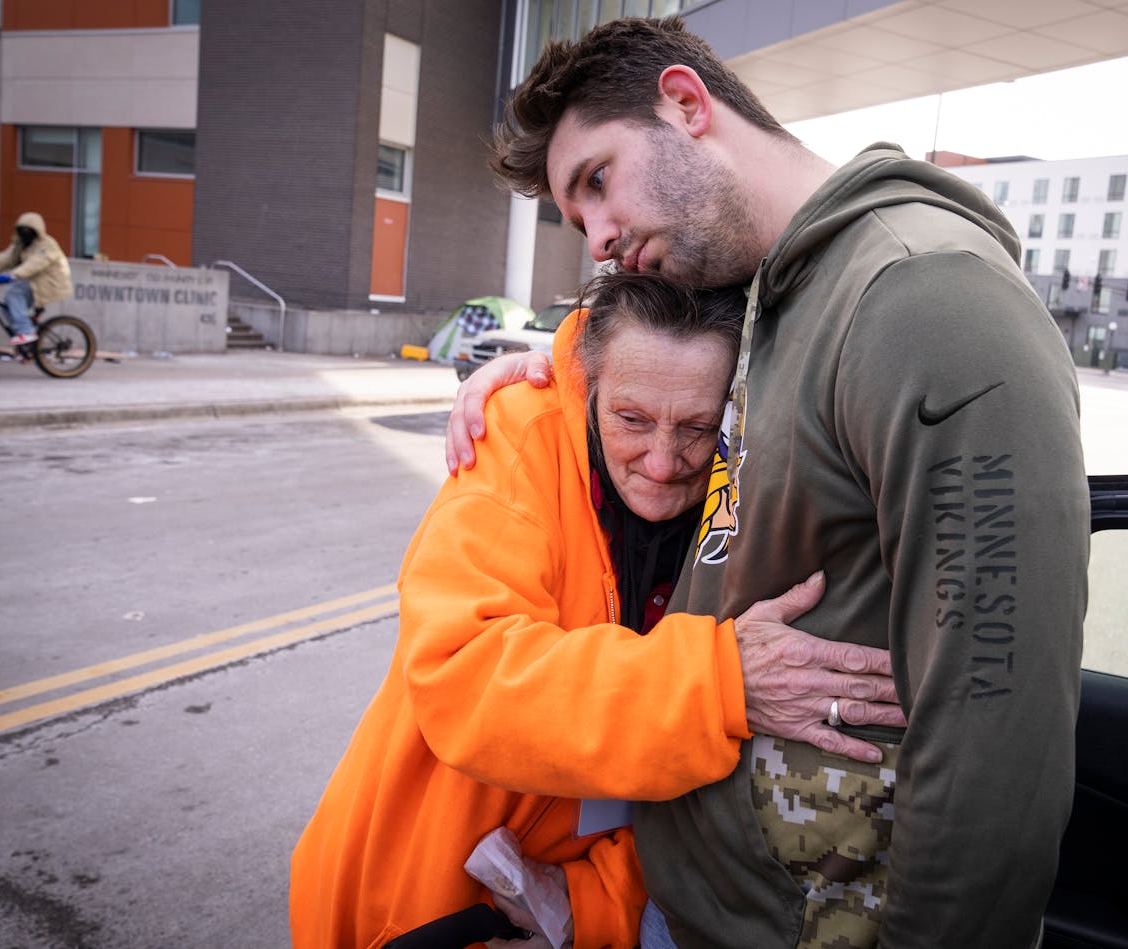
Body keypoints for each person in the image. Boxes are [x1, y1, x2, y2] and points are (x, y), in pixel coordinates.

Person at [457, 14, 1091, 948]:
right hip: (703, 907)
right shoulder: (771, 297)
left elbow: (998, 726)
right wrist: (542, 378)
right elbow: (638, 356)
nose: (594, 235)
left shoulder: (923, 296)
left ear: (686, 104)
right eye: (575, 214)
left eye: (597, 180)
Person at [290, 273, 907, 949]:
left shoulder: (750, 497)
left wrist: (595, 898)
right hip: (410, 911)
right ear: (586, 385)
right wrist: (719, 683)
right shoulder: (519, 430)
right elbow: (467, 678)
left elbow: (696, 798)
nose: (664, 462)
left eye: (697, 427)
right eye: (631, 419)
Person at [0, 212, 73, 346]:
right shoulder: (19, 243)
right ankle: (25, 345)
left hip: (49, 282)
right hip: (32, 280)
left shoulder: (47, 245)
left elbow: (35, 263)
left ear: (36, 231)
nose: (25, 233)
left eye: (28, 231)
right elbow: (2, 260)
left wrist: (13, 275)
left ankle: (26, 332)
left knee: (14, 292)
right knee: (7, 307)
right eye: (22, 230)